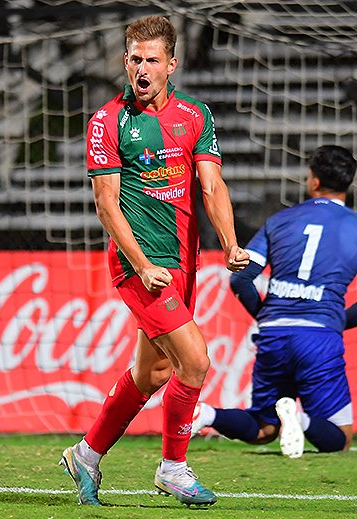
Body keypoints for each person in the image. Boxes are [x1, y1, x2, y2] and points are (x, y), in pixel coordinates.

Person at [60, 15, 249, 507]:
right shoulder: (107, 121)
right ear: (125, 62)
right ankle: (173, 467)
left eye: (151, 60)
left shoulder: (195, 115)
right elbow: (107, 205)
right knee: (195, 361)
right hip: (139, 265)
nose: (141, 69)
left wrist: (230, 242)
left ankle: (85, 455)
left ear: (172, 64)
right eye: (134, 59)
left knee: (154, 374)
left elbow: (212, 186)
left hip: (183, 263)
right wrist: (142, 264)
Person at [191, 145, 357, 458]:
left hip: (274, 333)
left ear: (314, 181)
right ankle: (299, 418)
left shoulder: (280, 221)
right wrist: (332, 321)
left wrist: (266, 316)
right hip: (319, 337)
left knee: (263, 428)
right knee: (341, 438)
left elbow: (240, 279)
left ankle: (206, 414)